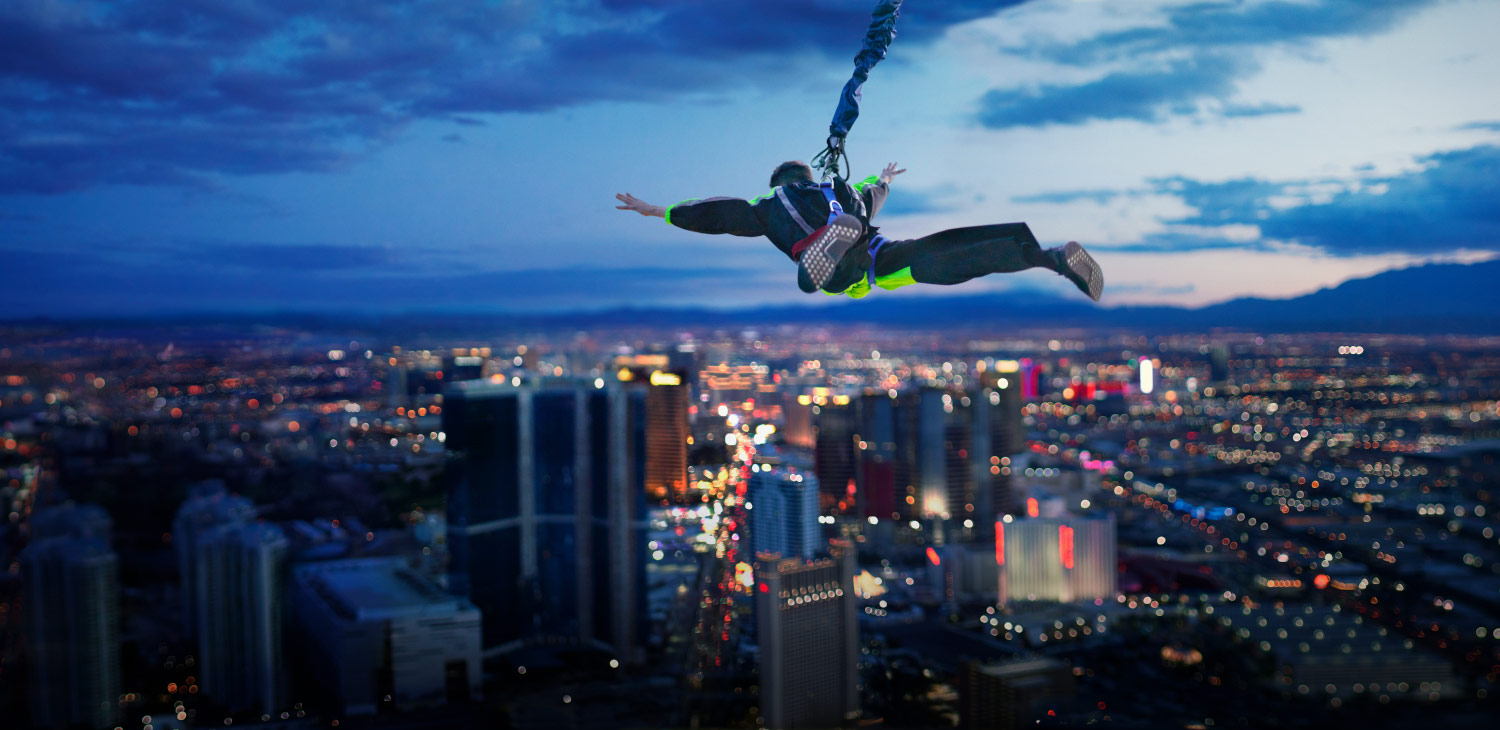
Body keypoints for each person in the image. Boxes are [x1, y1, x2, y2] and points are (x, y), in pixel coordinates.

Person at [614, 160, 1103, 301]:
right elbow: (872, 192)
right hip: (874, 251)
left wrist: (661, 211)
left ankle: (826, 252)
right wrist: (884, 178)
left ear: (776, 183)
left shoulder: (765, 206)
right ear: (805, 176)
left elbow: (716, 213)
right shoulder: (835, 189)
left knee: (812, 280)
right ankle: (1047, 257)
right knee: (940, 258)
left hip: (834, 265)